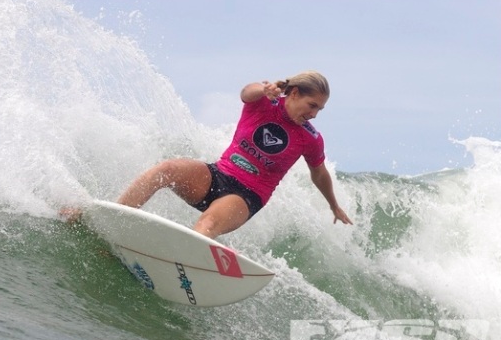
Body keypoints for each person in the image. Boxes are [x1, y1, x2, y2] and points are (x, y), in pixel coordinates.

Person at [114, 70, 353, 239]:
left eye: (320, 109)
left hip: (246, 196)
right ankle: (114, 219)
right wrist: (264, 89)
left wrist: (334, 206)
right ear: (294, 94)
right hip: (218, 175)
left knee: (208, 223)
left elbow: (319, 174)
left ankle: (186, 265)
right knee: (166, 169)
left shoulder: (310, 138)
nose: (314, 114)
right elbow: (246, 92)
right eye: (312, 105)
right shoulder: (264, 103)